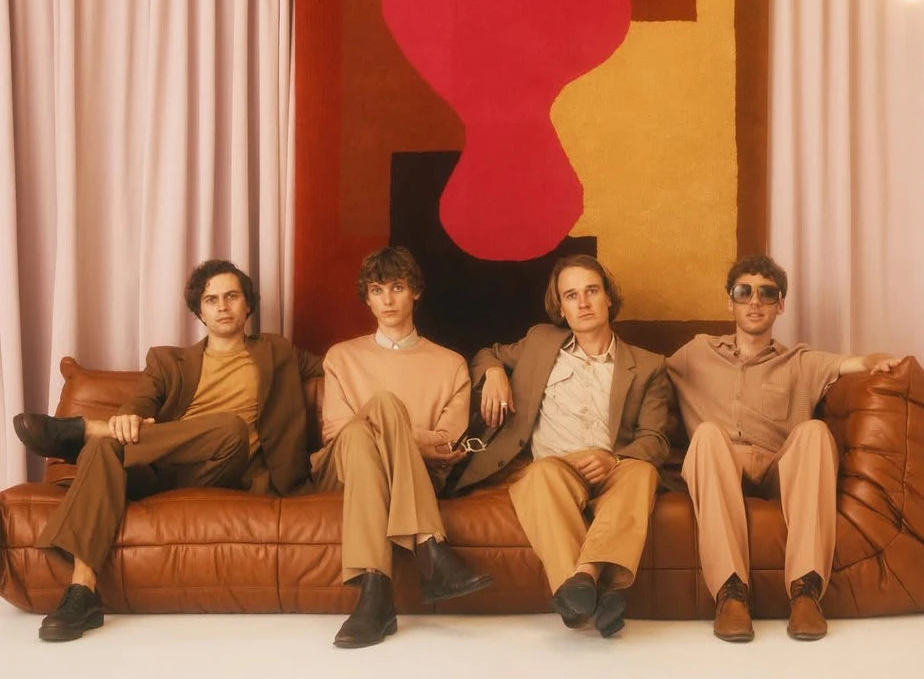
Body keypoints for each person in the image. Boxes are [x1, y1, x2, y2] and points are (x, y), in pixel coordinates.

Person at [13, 259, 322, 642]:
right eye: (211, 300)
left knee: (229, 428)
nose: (222, 306)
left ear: (248, 305)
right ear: (199, 311)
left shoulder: (278, 350)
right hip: (156, 468)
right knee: (106, 449)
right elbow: (139, 406)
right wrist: (124, 420)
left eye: (231, 296)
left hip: (221, 466)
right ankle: (82, 593)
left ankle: (87, 431)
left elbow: (339, 364)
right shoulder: (167, 361)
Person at [667, 253, 900, 643]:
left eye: (767, 293)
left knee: (814, 432)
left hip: (778, 468)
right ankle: (731, 593)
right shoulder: (696, 353)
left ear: (781, 305)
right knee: (706, 434)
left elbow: (857, 362)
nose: (755, 301)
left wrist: (884, 361)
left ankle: (806, 591)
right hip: (720, 464)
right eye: (744, 292)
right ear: (729, 302)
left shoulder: (801, 361)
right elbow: (644, 372)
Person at [450, 254, 672, 638]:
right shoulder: (540, 342)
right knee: (539, 475)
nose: (582, 303)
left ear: (608, 298)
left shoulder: (649, 366)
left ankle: (582, 583)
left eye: (591, 291)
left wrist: (614, 458)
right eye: (571, 295)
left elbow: (656, 438)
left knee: (643, 472)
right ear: (561, 308)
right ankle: (597, 590)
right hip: (555, 468)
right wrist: (495, 372)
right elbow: (487, 354)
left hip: (615, 468)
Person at [311, 246, 492, 649]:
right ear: (367, 298)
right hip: (341, 469)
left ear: (416, 292)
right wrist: (408, 435)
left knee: (368, 432)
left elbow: (447, 442)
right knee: (378, 411)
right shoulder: (342, 357)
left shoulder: (450, 363)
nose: (388, 300)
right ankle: (429, 545)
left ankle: (375, 596)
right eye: (377, 290)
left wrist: (390, 435)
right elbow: (337, 432)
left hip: (412, 474)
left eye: (397, 287)